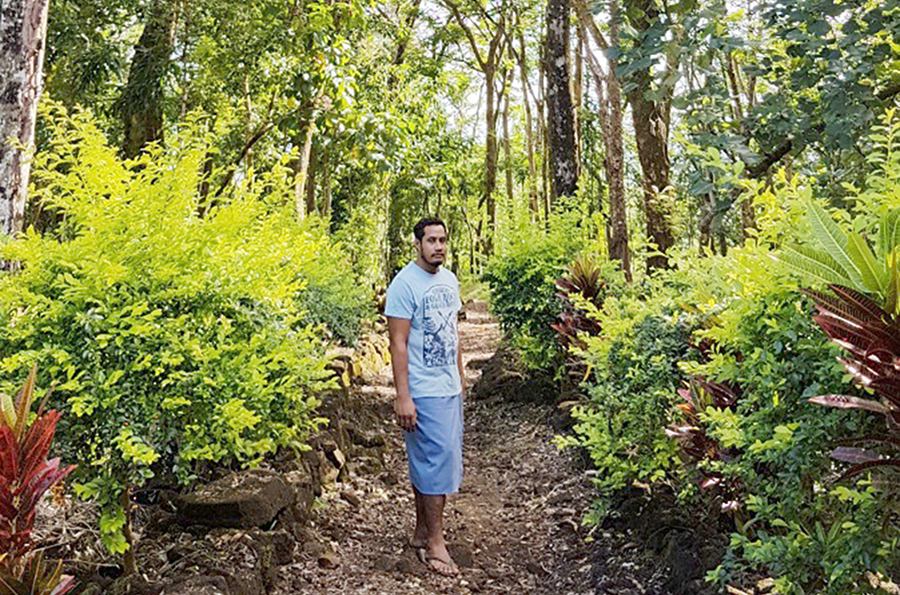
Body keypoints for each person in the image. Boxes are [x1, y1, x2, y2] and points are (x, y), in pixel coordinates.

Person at [385, 216, 465, 576]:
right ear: (417, 243)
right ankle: (436, 543)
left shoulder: (449, 280)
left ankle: (421, 533)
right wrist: (404, 396)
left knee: (430, 463)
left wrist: (461, 377)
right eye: (431, 240)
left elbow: (453, 333)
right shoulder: (404, 284)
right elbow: (397, 343)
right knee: (437, 463)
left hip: (448, 387)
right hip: (422, 389)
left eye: (443, 240)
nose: (439, 246)